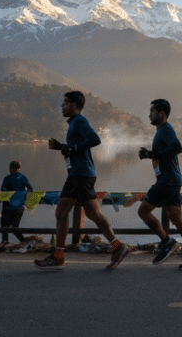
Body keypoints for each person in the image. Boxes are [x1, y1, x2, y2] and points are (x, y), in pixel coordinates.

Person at [34, 91, 129, 271]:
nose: (62, 106)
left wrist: (73, 147)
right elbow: (75, 149)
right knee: (91, 213)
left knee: (64, 211)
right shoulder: (74, 124)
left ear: (75, 106)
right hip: (79, 174)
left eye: (65, 103)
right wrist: (62, 147)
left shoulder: (80, 121)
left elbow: (95, 139)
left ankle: (59, 257)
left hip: (81, 174)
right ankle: (117, 246)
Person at [136, 99, 182, 270]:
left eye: (152, 111)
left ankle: (167, 242)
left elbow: (177, 147)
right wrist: (149, 155)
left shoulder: (166, 129)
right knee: (176, 218)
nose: (149, 115)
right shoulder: (161, 131)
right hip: (173, 180)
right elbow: (164, 153)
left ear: (161, 113)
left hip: (167, 181)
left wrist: (153, 154)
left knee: (143, 211)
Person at [0, 160, 32, 245]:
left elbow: (3, 191)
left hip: (8, 207)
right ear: (19, 168)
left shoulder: (7, 178)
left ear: (11, 168)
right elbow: (31, 190)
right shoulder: (24, 178)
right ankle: (24, 241)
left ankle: (5, 242)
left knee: (4, 225)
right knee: (15, 226)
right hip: (20, 207)